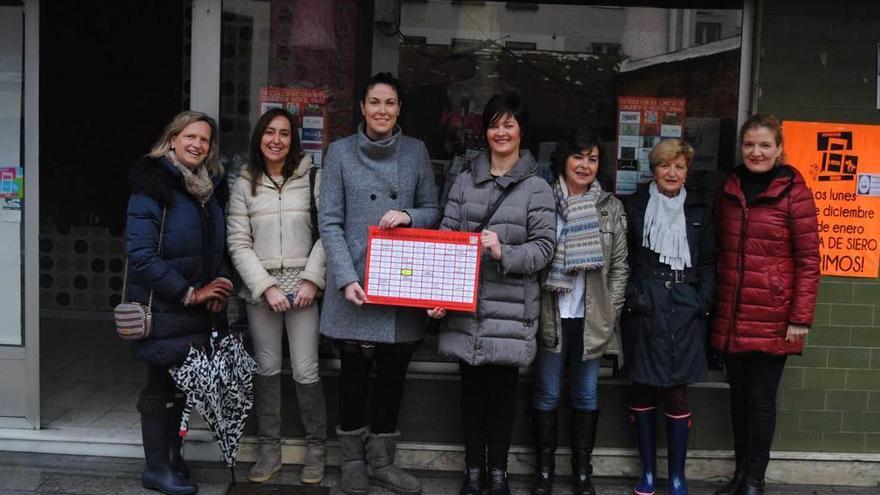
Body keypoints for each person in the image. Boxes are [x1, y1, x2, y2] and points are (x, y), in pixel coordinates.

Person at [428, 92, 556, 495]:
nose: (501, 132)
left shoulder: (538, 187)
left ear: (521, 131)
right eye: (495, 124)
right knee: (470, 390)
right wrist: (438, 295)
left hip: (511, 307)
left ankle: (498, 471)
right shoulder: (464, 181)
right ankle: (472, 471)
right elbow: (447, 239)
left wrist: (503, 252)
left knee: (503, 393)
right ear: (485, 131)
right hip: (466, 305)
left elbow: (544, 249)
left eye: (509, 124)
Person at [319, 72, 441, 495]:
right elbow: (329, 222)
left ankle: (382, 462)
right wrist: (345, 279)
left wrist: (409, 215)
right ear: (362, 107)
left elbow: (433, 209)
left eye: (389, 103)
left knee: (393, 375)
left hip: (401, 280)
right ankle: (352, 461)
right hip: (355, 282)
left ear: (399, 109)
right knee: (352, 374)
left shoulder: (416, 151)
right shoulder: (338, 153)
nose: (382, 111)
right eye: (374, 102)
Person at [711, 115, 819, 495]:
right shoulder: (729, 187)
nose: (756, 152)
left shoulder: (795, 193)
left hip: (775, 316)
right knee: (738, 402)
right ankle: (741, 476)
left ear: (778, 149)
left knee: (760, 402)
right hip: (734, 313)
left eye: (764, 145)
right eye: (749, 145)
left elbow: (809, 261)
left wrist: (800, 318)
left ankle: (755, 480)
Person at [125, 111, 232, 495]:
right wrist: (190, 293)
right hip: (164, 307)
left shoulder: (207, 188)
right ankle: (156, 468)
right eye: (190, 137)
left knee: (180, 388)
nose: (197, 145)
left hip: (196, 313)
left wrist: (219, 282)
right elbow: (139, 254)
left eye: (204, 140)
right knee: (159, 388)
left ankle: (171, 457)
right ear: (172, 138)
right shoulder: (152, 183)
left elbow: (216, 247)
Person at [227, 108, 327, 485]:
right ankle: (270, 451)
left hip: (303, 288)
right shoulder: (243, 183)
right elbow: (238, 242)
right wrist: (265, 287)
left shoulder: (312, 177)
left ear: (294, 140)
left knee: (306, 370)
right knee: (266, 369)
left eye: (284, 134)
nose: (276, 140)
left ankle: (316, 450)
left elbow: (326, 232)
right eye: (270, 132)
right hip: (261, 291)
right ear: (259, 137)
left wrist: (312, 280)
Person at [532, 127, 629, 495]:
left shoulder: (611, 207)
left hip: (592, 318)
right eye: (578, 157)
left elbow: (620, 267)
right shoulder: (543, 200)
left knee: (586, 394)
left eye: (592, 159)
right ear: (563, 160)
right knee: (547, 393)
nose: (585, 165)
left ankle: (582, 471)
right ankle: (544, 471)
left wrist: (612, 310)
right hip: (550, 314)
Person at [621, 139, 716, 495]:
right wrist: (634, 297)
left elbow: (708, 260)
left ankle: (677, 477)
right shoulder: (635, 206)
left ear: (687, 170)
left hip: (685, 306)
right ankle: (646, 472)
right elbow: (624, 259)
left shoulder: (699, 209)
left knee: (677, 395)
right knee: (643, 389)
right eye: (664, 165)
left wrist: (702, 301)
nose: (672, 173)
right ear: (654, 170)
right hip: (646, 305)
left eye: (679, 166)